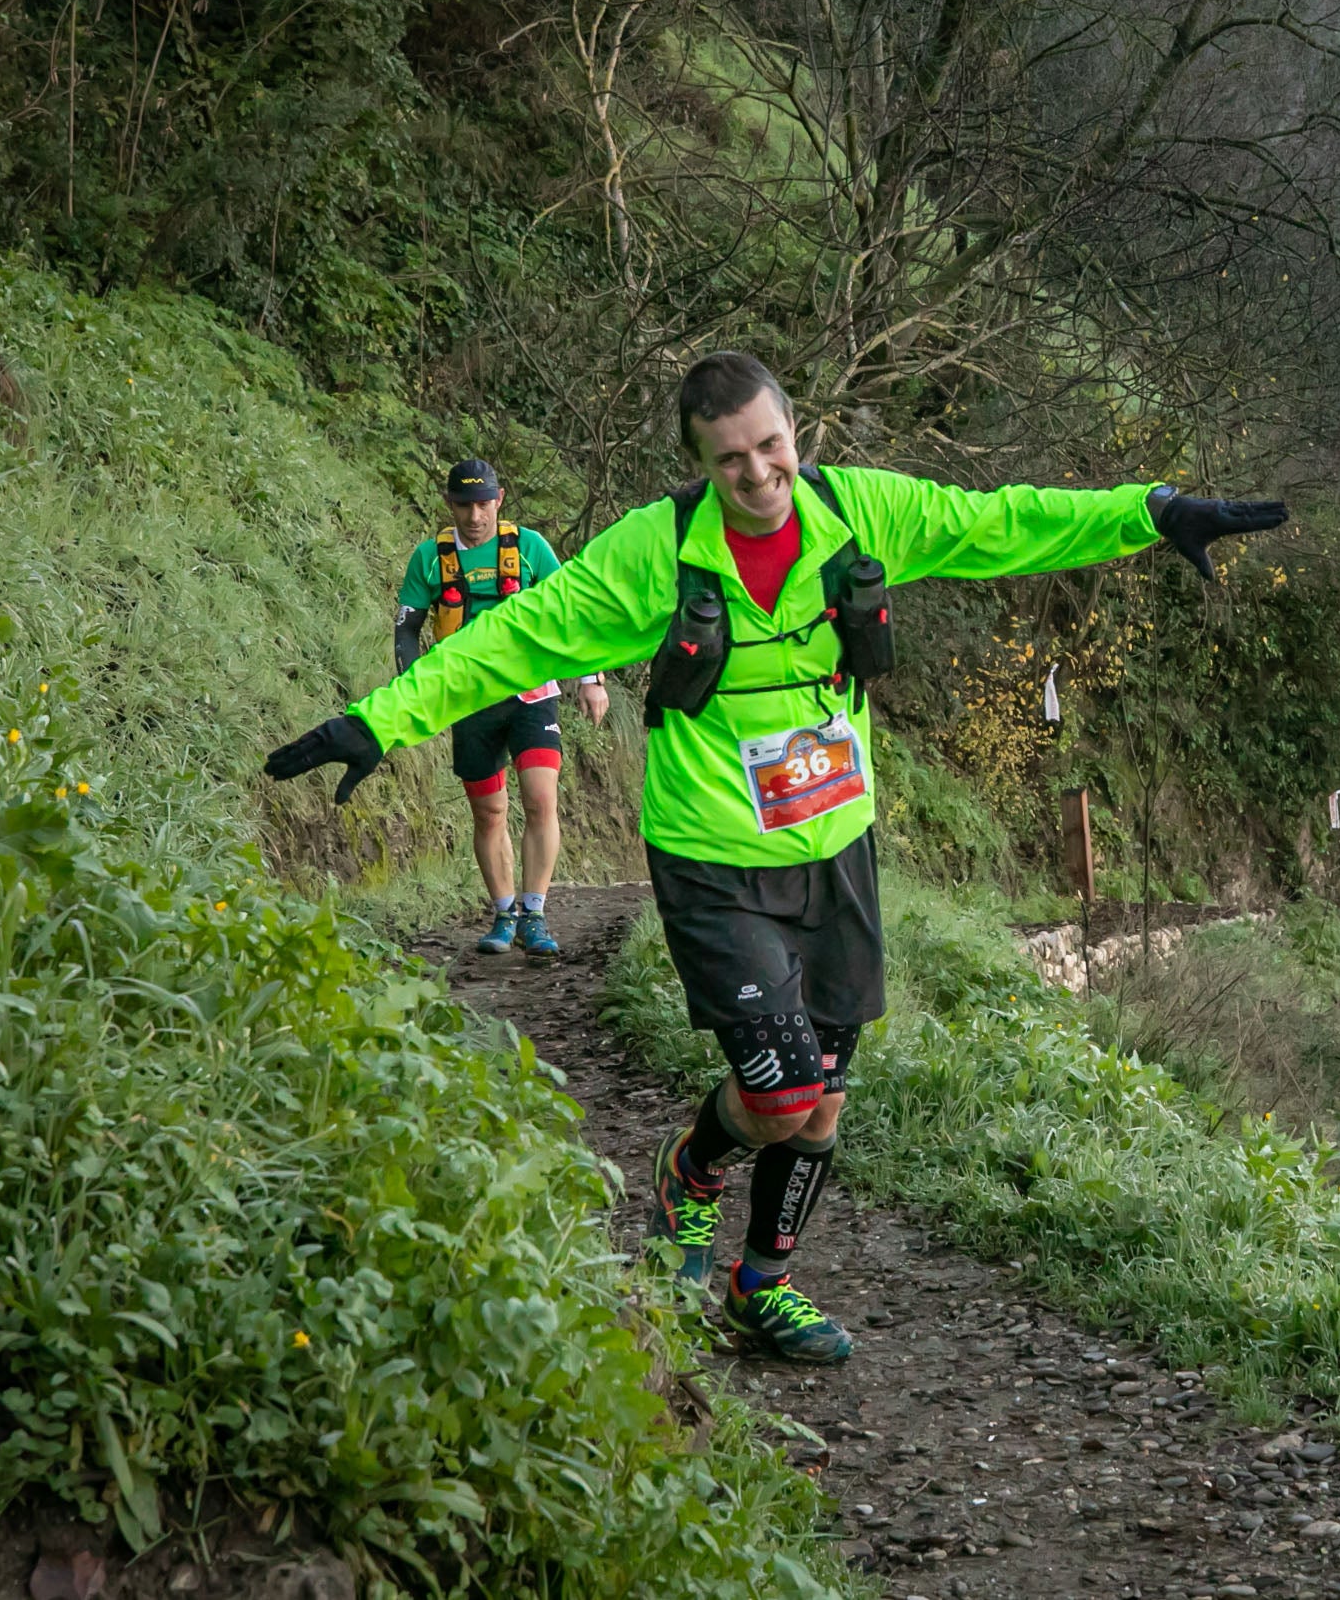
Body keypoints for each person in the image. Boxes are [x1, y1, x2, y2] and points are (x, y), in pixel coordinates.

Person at [267, 352, 1287, 1365]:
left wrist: (1149, 512)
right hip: (712, 853)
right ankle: (690, 1171)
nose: (758, 477)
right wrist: (381, 721)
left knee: (826, 1095)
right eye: (730, 462)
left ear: (797, 434)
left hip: (838, 841)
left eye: (771, 449)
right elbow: (515, 638)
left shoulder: (862, 513)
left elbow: (1003, 523)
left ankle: (764, 1285)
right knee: (784, 1092)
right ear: (698, 466)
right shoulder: (653, 551)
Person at [394, 458, 610, 959]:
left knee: (540, 798)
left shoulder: (530, 549)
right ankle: (504, 913)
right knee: (489, 812)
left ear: (500, 499)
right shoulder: (430, 558)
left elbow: (570, 612)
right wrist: (412, 683)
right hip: (468, 699)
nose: (475, 515)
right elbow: (407, 628)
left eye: (484, 503)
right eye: (465, 505)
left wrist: (591, 679)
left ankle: (535, 913)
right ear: (449, 504)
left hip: (532, 694)